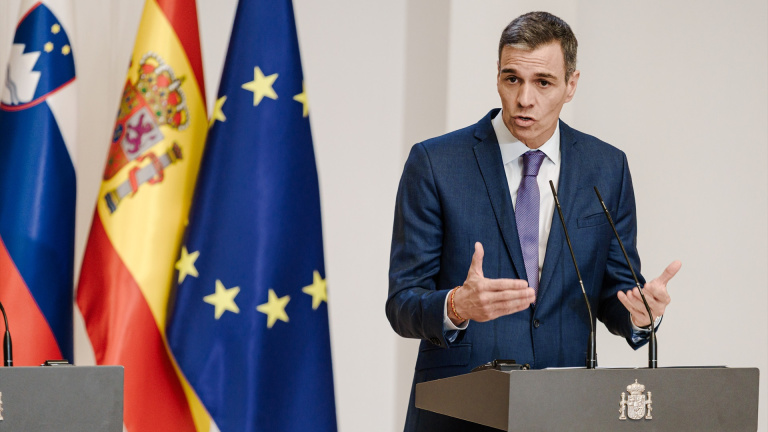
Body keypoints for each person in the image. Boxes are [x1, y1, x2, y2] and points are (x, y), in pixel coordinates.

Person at [386, 11, 681, 432]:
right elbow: (402, 303)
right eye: (513, 79)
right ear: (498, 76)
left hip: (566, 410)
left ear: (571, 85)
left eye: (543, 82)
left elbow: (614, 292)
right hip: (459, 411)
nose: (525, 98)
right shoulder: (435, 163)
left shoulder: (606, 168)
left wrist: (640, 313)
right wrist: (456, 305)